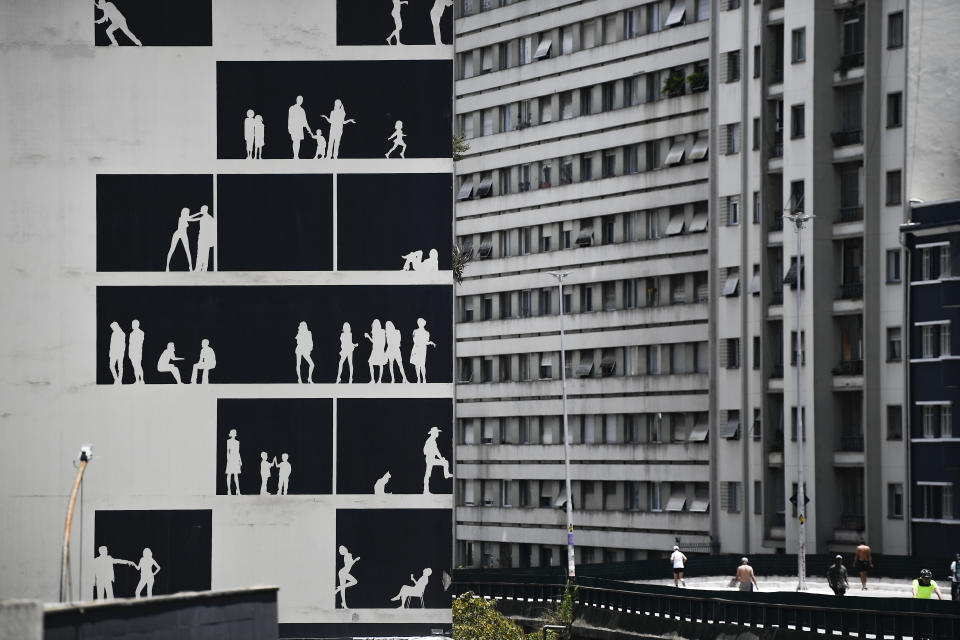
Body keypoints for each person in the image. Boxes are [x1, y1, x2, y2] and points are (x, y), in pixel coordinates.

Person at [165, 207, 198, 272]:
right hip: (178, 233)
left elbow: (191, 217)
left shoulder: (185, 217)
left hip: (184, 234)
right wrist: (200, 218)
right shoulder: (182, 218)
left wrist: (199, 213)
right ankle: (167, 267)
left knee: (187, 251)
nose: (188, 213)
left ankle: (190, 268)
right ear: (184, 212)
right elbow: (192, 219)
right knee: (172, 249)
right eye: (187, 212)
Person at [422, 427, 452, 494]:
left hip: (432, 459)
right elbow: (424, 451)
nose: (438, 433)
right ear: (434, 433)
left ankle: (446, 474)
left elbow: (436, 451)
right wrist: (430, 454)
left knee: (445, 462)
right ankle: (425, 490)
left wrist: (441, 458)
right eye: (437, 432)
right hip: (430, 459)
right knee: (428, 474)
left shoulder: (433, 440)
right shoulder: (430, 441)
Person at [409, 318, 436, 383]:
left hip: (422, 349)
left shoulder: (427, 333)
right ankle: (418, 379)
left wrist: (430, 342)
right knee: (417, 365)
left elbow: (426, 342)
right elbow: (414, 341)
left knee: (422, 364)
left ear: (424, 323)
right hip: (416, 348)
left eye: (421, 322)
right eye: (419, 322)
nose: (420, 324)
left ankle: (424, 379)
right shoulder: (415, 331)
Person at [194, 205, 215, 272]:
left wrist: (212, 240)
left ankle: (203, 268)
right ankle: (199, 268)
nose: (200, 210)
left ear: (205, 210)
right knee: (200, 252)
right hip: (202, 237)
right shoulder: (204, 217)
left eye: (201, 209)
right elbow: (192, 219)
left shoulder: (210, 218)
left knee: (204, 253)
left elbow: (212, 230)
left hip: (206, 237)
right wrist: (198, 213)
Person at [225, 429, 242, 495]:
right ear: (230, 434)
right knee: (229, 474)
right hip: (230, 459)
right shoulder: (228, 441)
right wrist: (228, 459)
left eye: (235, 433)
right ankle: (229, 490)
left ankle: (238, 490)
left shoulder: (237, 442)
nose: (234, 434)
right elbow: (227, 451)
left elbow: (238, 452)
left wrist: (240, 460)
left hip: (236, 458)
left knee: (236, 475)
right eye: (233, 433)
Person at [128, 319, 144, 384]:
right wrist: (130, 352)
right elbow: (130, 344)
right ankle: (137, 380)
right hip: (132, 352)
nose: (132, 325)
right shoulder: (131, 334)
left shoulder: (141, 332)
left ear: (137, 325)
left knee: (138, 366)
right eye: (132, 324)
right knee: (135, 367)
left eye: (133, 324)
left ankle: (142, 380)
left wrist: (135, 351)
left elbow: (139, 343)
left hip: (137, 352)